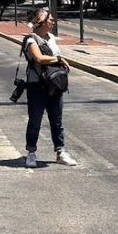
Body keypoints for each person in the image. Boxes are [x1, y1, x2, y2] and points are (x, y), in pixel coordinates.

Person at [23, 9, 77, 168]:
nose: (53, 22)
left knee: (57, 120)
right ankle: (31, 153)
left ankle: (61, 152)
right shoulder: (31, 40)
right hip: (37, 85)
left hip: (54, 84)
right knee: (35, 120)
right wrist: (59, 59)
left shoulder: (51, 38)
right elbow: (39, 58)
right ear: (42, 22)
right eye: (50, 20)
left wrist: (59, 60)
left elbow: (55, 57)